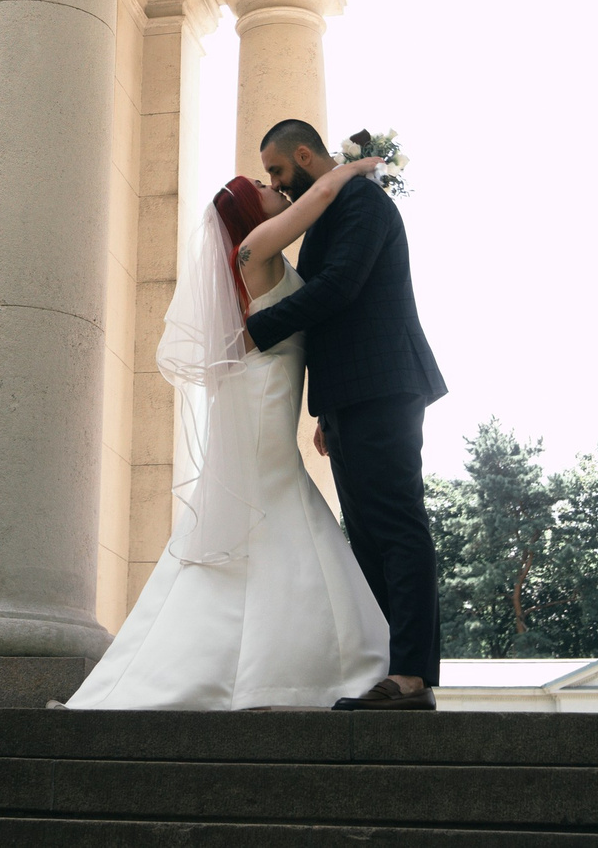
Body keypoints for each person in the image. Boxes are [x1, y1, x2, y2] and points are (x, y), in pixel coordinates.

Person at [66, 156, 390, 711]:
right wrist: (355, 166)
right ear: (246, 209)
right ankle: (294, 667)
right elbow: (318, 200)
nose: (272, 188)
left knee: (264, 510)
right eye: (261, 186)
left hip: (272, 389)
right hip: (262, 396)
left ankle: (254, 662)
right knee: (274, 503)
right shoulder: (253, 251)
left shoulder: (263, 256)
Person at [249, 117, 446, 710]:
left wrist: (253, 330)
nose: (277, 185)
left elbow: (338, 289)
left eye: (278, 170)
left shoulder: (359, 198)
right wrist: (327, 411)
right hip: (353, 396)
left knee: (396, 525)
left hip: (383, 387)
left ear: (305, 155)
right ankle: (386, 671)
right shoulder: (330, 212)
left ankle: (411, 677)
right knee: (365, 535)